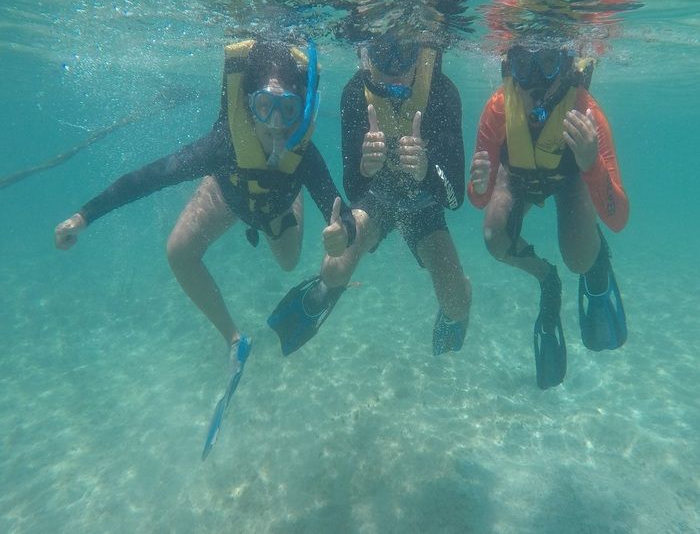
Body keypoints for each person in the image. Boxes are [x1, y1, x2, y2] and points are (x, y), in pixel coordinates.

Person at [54, 39, 356, 457]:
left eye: (287, 109)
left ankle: (287, 225)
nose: (275, 124)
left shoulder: (303, 158)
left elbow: (341, 212)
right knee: (179, 251)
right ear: (246, 103)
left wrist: (342, 234)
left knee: (288, 264)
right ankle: (234, 338)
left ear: (301, 108)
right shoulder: (221, 145)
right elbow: (148, 178)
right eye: (263, 106)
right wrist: (85, 216)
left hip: (279, 208)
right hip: (227, 193)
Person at [267, 29, 471, 356]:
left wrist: (425, 169)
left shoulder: (443, 93)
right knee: (332, 270)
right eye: (381, 54)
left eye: (404, 53)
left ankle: (458, 302)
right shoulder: (354, 93)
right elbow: (354, 188)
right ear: (366, 55)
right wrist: (366, 168)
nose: (393, 68)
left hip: (424, 204)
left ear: (421, 55)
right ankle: (322, 291)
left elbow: (454, 199)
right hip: (376, 198)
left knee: (457, 304)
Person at [467, 42, 629, 390]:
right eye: (524, 64)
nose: (535, 81)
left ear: (568, 66)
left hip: (570, 179)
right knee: (495, 238)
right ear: (511, 68)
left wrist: (591, 163)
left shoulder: (586, 111)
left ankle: (597, 265)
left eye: (550, 62)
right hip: (517, 179)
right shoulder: (498, 108)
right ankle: (547, 281)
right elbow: (478, 199)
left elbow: (618, 218)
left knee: (580, 259)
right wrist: (479, 185)